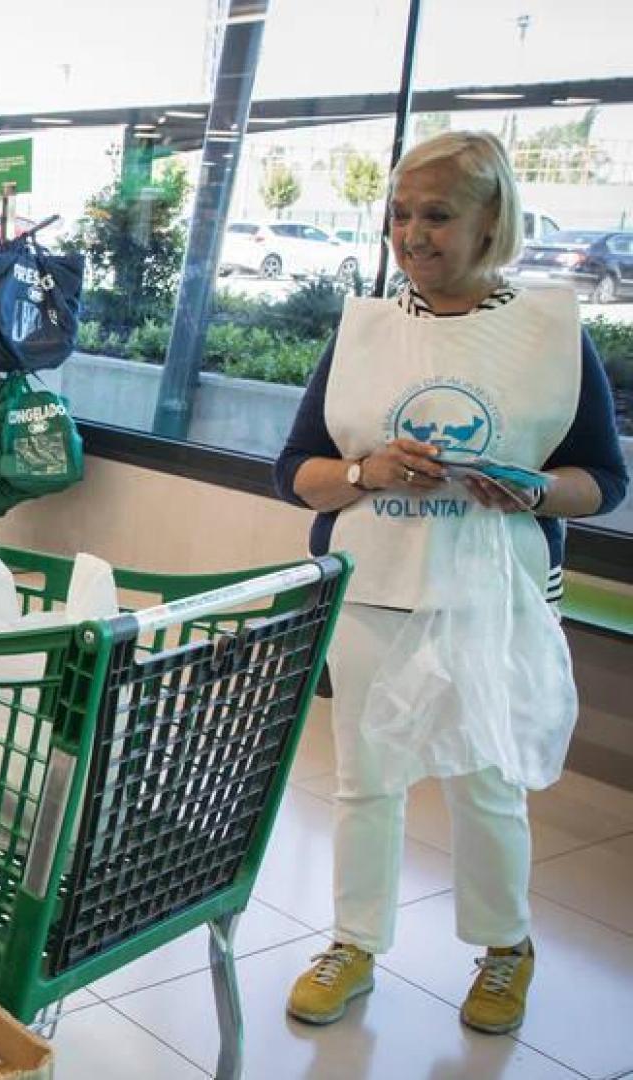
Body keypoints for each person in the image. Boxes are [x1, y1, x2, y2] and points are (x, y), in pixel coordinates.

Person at [273, 131, 626, 1036]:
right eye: (398, 213)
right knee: (366, 779)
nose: (411, 234)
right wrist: (365, 474)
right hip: (375, 588)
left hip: (490, 594)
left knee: (484, 780)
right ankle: (352, 942)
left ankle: (506, 949)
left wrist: (536, 491)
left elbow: (602, 480)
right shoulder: (366, 335)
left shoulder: (548, 338)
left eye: (436, 215)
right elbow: (295, 471)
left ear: (491, 222)